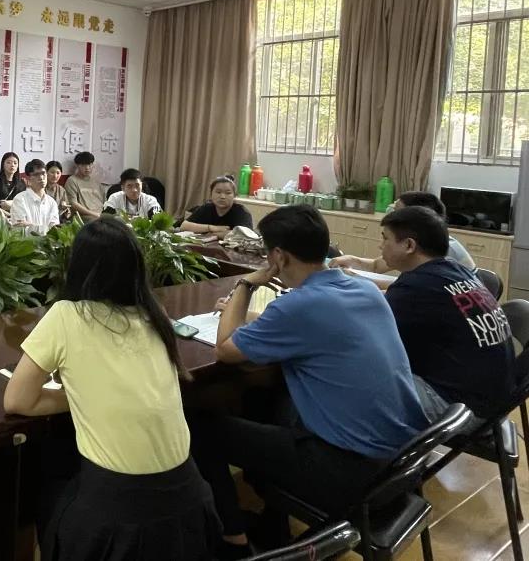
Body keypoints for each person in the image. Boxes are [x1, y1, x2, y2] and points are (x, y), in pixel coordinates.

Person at [192, 205, 427, 557]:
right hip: (403, 463)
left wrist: (246, 283)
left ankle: (233, 540)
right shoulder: (365, 290)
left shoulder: (298, 306)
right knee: (264, 398)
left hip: (353, 473)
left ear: (278, 256)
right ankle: (273, 522)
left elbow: (225, 349)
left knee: (199, 427)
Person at [4, 217, 219, 560]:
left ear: (79, 267)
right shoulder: (155, 315)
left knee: (46, 482)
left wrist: (79, 395)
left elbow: (17, 401)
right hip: (191, 509)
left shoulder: (66, 315)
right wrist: (90, 394)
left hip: (118, 524)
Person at [381, 205, 514, 422]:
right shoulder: (456, 271)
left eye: (385, 238)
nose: (381, 245)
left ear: (409, 245)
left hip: (462, 411)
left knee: (362, 367)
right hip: (495, 403)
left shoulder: (415, 286)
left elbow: (371, 334)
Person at [331, 191, 476, 288]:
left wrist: (356, 279)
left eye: (397, 212)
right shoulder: (424, 245)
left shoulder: (442, 252)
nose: (392, 216)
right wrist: (351, 260)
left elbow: (410, 289)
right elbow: (376, 266)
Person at [181, 176, 253, 235]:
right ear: (211, 194)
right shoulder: (207, 208)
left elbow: (245, 235)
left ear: (234, 196)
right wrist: (212, 228)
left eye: (228, 193)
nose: (222, 197)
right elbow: (184, 226)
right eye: (218, 192)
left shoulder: (242, 212)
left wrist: (213, 234)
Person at [9, 159, 60, 235]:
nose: (41, 177)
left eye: (43, 173)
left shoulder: (52, 202)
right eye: (36, 174)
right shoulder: (20, 199)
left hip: (48, 242)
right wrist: (45, 228)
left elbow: (55, 230)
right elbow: (20, 230)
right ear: (28, 178)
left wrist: (31, 226)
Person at [63, 151, 104, 224]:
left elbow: (104, 201)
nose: (87, 168)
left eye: (90, 164)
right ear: (77, 165)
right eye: (83, 165)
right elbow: (73, 204)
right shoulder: (72, 180)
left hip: (100, 216)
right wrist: (94, 214)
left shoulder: (96, 182)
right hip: (84, 217)